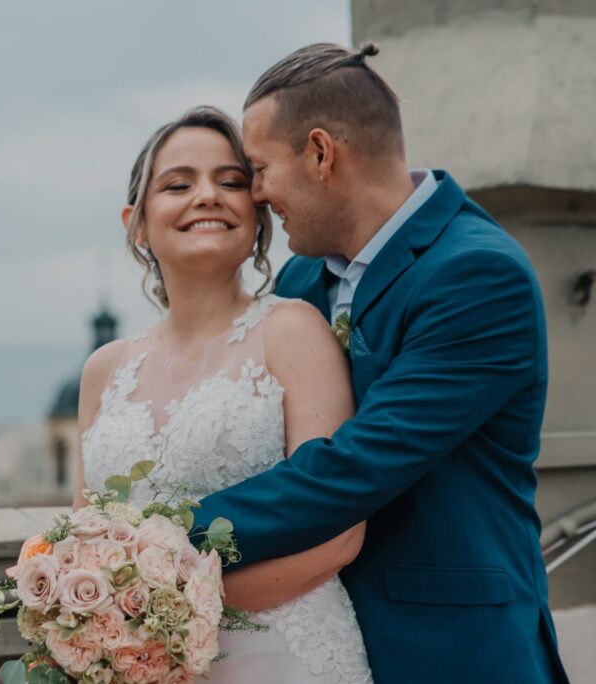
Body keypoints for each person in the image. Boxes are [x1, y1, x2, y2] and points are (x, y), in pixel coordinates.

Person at [191, 43, 569, 683]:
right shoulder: (301, 278)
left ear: (320, 154)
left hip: (451, 649)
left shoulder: (479, 275)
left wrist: (163, 534)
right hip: (316, 643)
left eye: (258, 169)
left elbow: (353, 466)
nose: (255, 195)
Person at [75, 106, 374, 682]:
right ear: (136, 221)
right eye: (178, 184)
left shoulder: (293, 330)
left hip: (281, 658)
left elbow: (337, 536)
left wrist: (163, 619)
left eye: (231, 182)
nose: (207, 195)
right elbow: (84, 539)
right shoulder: (103, 370)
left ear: (257, 216)